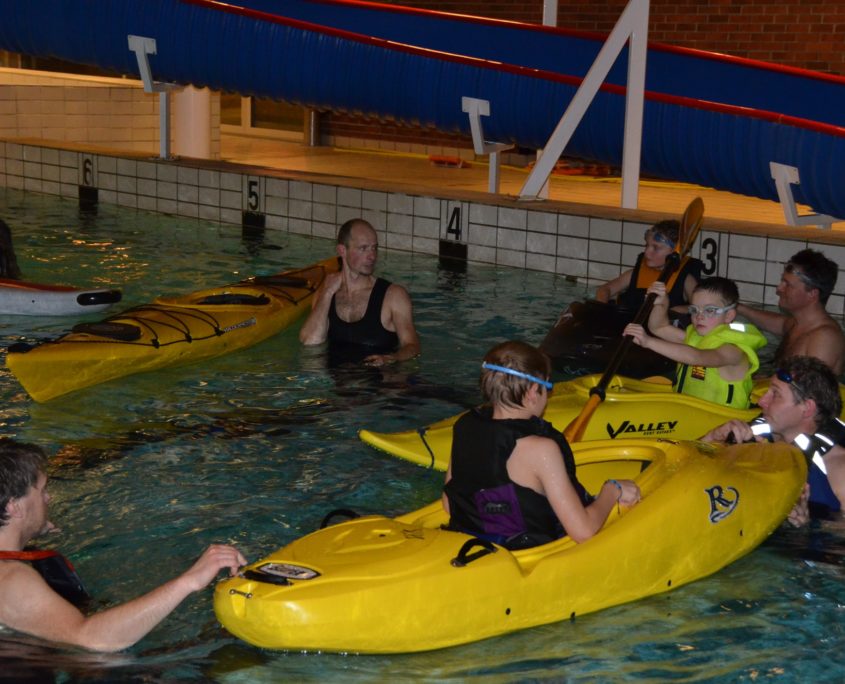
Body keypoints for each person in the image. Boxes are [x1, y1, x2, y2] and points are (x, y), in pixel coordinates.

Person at [0, 439, 247, 652]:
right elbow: (89, 639)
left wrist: (31, 527)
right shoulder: (12, 579)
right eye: (42, 491)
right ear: (14, 507)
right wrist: (189, 581)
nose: (48, 497)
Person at [442, 340, 640, 549]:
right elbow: (583, 532)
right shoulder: (541, 449)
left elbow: (448, 504)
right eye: (547, 388)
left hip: (471, 542)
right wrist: (613, 489)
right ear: (533, 391)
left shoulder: (465, 426)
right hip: (525, 553)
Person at [701, 356, 845, 525]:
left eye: (775, 394)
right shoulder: (750, 435)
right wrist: (710, 439)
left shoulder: (838, 467)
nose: (762, 401)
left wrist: (810, 525)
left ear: (807, 408)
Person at [624, 277, 767, 409]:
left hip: (723, 420)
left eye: (710, 310)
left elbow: (697, 357)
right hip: (689, 412)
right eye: (694, 310)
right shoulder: (696, 337)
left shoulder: (733, 350)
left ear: (729, 315)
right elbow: (658, 327)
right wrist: (661, 303)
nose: (699, 316)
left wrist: (648, 341)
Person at [299, 218, 420, 367]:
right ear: (342, 250)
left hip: (380, 378)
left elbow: (412, 346)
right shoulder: (325, 294)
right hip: (336, 379)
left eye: (374, 248)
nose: (372, 256)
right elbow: (310, 342)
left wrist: (391, 358)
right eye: (363, 248)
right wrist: (327, 293)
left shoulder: (394, 296)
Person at [735, 248, 845, 375]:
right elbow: (779, 323)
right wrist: (736, 307)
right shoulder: (799, 323)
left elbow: (812, 386)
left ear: (812, 293)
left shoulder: (824, 340)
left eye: (787, 285)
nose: (779, 289)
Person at [595, 219, 702, 311]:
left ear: (675, 252)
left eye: (656, 248)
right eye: (647, 245)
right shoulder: (635, 273)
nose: (647, 252)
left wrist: (677, 310)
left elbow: (699, 307)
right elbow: (604, 289)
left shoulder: (686, 280)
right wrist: (601, 308)